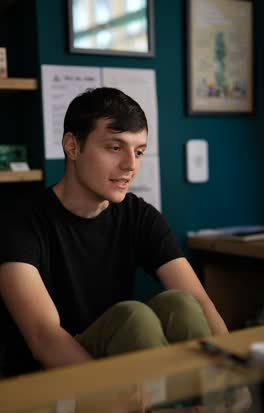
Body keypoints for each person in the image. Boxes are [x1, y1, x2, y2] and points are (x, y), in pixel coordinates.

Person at [0, 87, 228, 379]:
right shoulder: (19, 221)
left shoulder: (139, 215)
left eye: (139, 151)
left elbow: (199, 300)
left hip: (121, 372)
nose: (130, 166)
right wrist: (111, 402)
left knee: (181, 304)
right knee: (135, 318)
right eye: (115, 147)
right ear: (72, 146)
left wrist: (234, 376)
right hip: (48, 384)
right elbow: (45, 338)